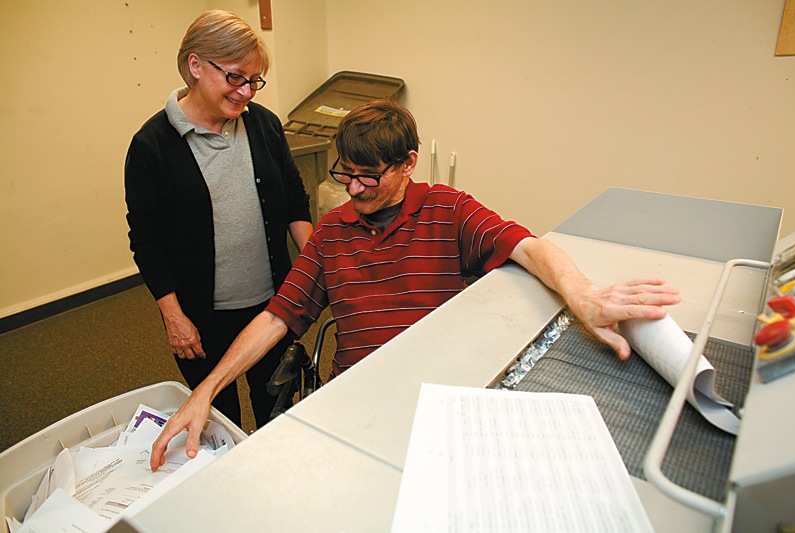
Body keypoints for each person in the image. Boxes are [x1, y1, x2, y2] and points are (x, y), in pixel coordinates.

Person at [150, 99, 680, 471]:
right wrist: (208, 389)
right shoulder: (332, 232)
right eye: (345, 173)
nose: (351, 189)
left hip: (440, 403)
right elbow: (276, 317)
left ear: (406, 164)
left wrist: (583, 294)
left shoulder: (449, 209)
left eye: (367, 176)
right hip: (357, 402)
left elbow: (529, 247)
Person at [124, 11, 313, 430]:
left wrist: (316, 265)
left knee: (278, 412)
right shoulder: (151, 145)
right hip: (201, 318)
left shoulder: (262, 124)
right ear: (196, 66)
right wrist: (174, 318)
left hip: (272, 306)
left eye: (254, 80)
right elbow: (147, 241)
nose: (246, 91)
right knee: (218, 423)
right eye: (235, 78)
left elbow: (295, 201)